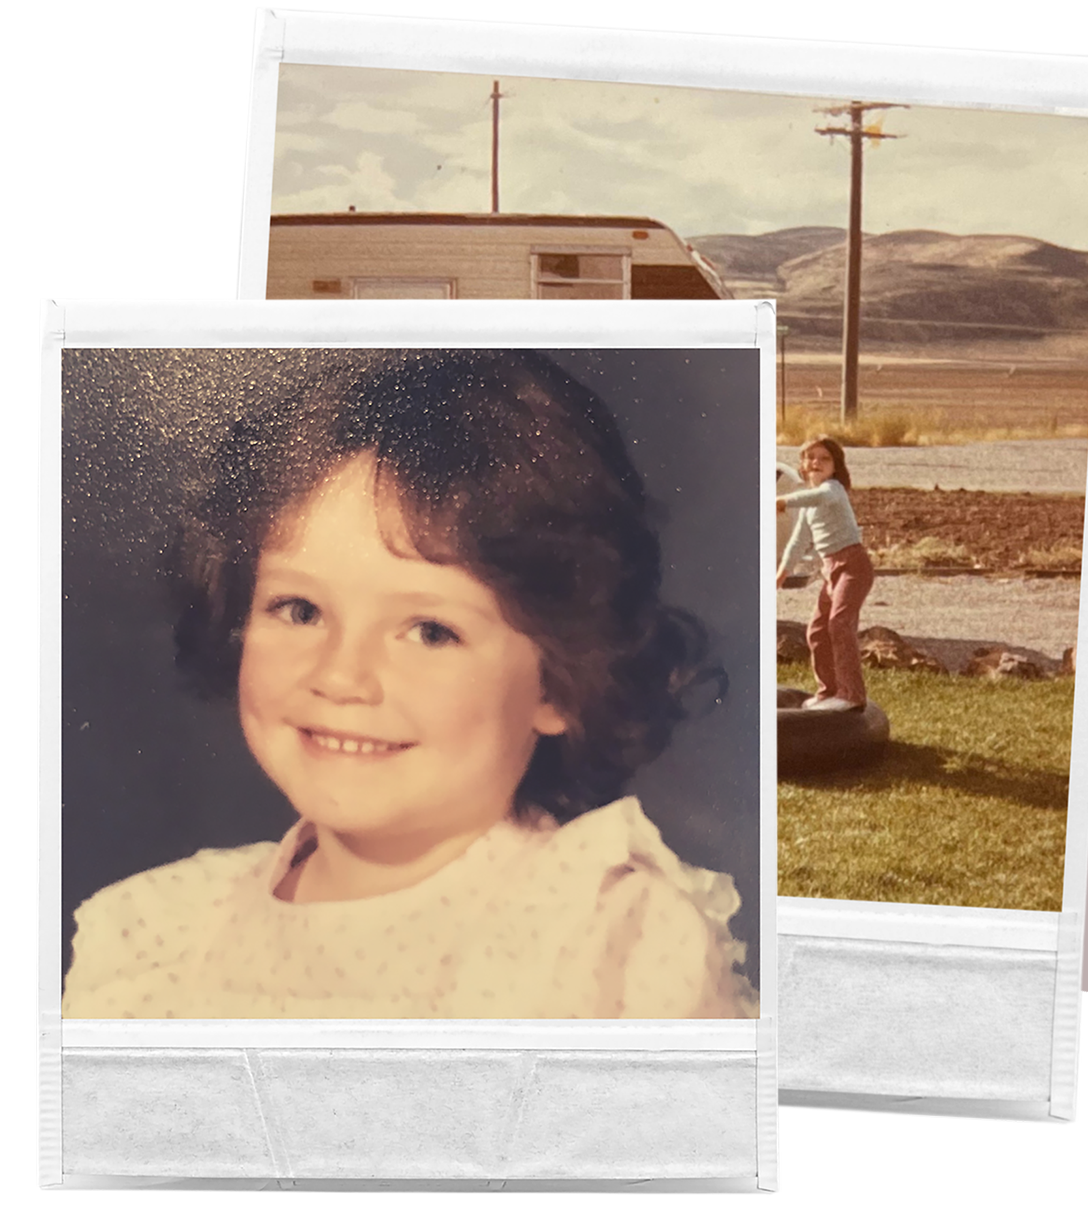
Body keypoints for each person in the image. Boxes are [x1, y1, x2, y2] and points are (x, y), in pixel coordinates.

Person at [62, 351, 757, 1021]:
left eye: (430, 630)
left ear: (561, 682)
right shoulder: (150, 933)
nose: (341, 677)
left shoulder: (616, 945)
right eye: (299, 610)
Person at [775, 436, 875, 713]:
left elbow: (819, 495)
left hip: (853, 566)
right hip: (830, 571)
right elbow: (798, 541)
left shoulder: (833, 490)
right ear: (803, 465)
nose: (816, 462)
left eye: (824, 458)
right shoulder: (808, 504)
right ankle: (829, 691)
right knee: (817, 632)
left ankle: (852, 695)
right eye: (810, 458)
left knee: (840, 624)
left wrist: (781, 502)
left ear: (835, 467)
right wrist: (782, 573)